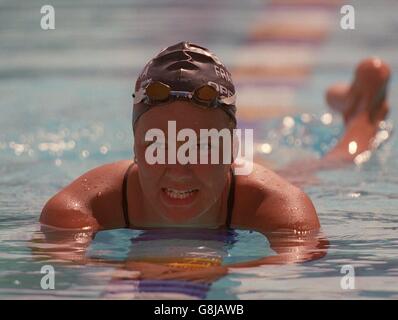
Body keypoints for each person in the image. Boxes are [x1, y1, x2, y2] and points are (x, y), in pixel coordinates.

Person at [38, 41, 390, 277]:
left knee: (335, 162)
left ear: (231, 152)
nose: (179, 169)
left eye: (202, 146)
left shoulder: (278, 206)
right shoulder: (81, 208)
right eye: (160, 146)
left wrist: (201, 270)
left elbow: (298, 263)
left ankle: (364, 108)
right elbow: (60, 267)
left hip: (250, 183)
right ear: (135, 148)